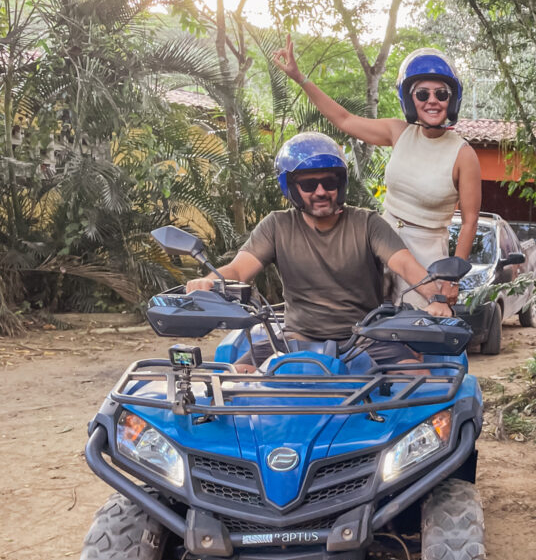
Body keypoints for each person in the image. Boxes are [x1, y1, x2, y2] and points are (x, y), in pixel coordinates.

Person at [185, 133, 452, 370]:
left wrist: (436, 297)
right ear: (291, 187)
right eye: (310, 185)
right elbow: (239, 269)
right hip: (296, 339)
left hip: (364, 338)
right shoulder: (277, 225)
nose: (321, 191)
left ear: (341, 183)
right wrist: (210, 281)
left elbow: (405, 265)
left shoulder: (367, 223)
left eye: (329, 182)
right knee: (235, 382)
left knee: (417, 378)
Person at [272, 37, 481, 308]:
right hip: (381, 241)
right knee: (358, 323)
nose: (432, 101)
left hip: (427, 254)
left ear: (451, 100)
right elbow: (344, 119)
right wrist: (300, 78)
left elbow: (469, 221)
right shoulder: (399, 132)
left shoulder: (463, 154)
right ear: (410, 99)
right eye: (422, 94)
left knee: (418, 333)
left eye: (441, 94)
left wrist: (453, 278)